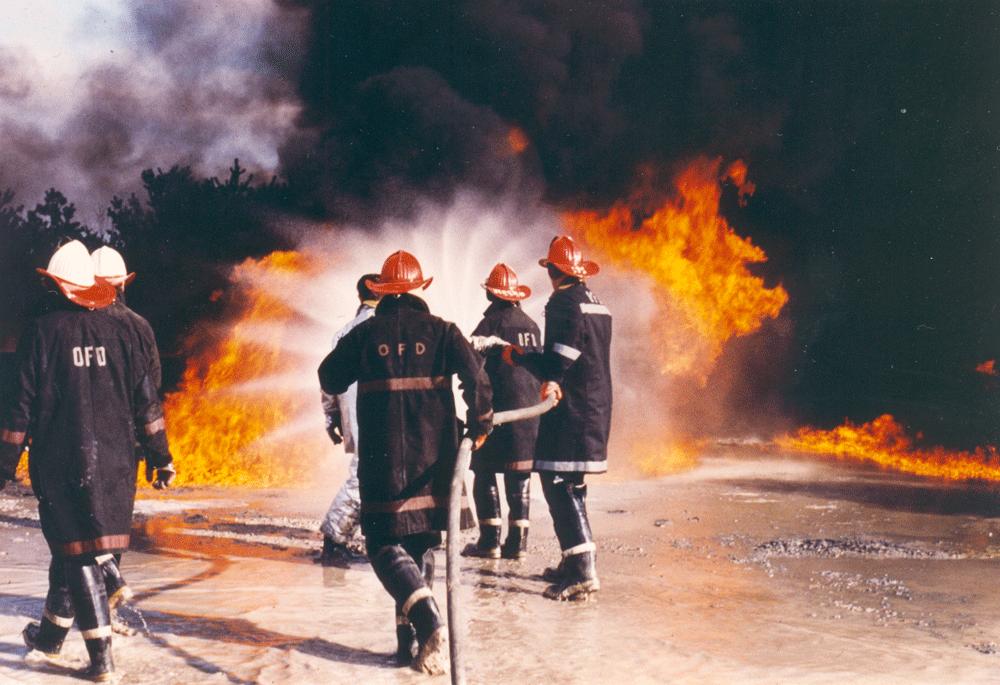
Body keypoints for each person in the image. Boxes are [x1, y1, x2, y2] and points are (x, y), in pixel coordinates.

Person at [0, 240, 177, 682]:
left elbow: (19, 409)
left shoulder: (43, 332)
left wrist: (4, 465)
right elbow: (148, 402)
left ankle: (102, 662)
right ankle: (52, 637)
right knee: (87, 550)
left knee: (77, 554)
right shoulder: (124, 332)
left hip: (63, 464)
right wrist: (161, 457)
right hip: (118, 462)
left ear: (59, 286)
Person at [318, 250, 492, 675]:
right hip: (435, 460)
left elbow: (329, 376)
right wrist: (480, 424)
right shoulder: (443, 330)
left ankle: (428, 623)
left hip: (384, 461)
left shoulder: (365, 334)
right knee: (421, 543)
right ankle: (411, 648)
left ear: (383, 292)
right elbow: (477, 378)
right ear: (418, 289)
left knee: (382, 543)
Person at [504, 235, 612, 600]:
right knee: (572, 483)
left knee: (558, 483)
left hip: (572, 411)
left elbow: (558, 360)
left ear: (553, 270)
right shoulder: (597, 303)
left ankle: (582, 572)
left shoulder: (563, 302)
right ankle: (573, 560)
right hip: (594, 408)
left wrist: (520, 357)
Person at [91, 245, 166, 617]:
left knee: (80, 527)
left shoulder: (72, 323)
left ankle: (85, 610)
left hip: (81, 441)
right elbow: (150, 389)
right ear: (123, 283)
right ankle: (107, 607)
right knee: (115, 524)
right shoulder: (138, 327)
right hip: (125, 444)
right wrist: (156, 454)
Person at [462, 263, 541, 560]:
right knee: (519, 474)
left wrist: (476, 413)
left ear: (492, 295)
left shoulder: (490, 325)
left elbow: (473, 371)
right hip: (529, 414)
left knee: (484, 471)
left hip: (497, 412)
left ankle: (489, 542)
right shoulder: (532, 326)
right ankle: (518, 543)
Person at [317, 273, 381, 565]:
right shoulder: (383, 327)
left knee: (367, 474)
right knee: (363, 476)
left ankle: (366, 538)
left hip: (353, 415)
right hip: (376, 414)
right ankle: (334, 540)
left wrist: (331, 418)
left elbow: (328, 381)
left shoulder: (344, 332)